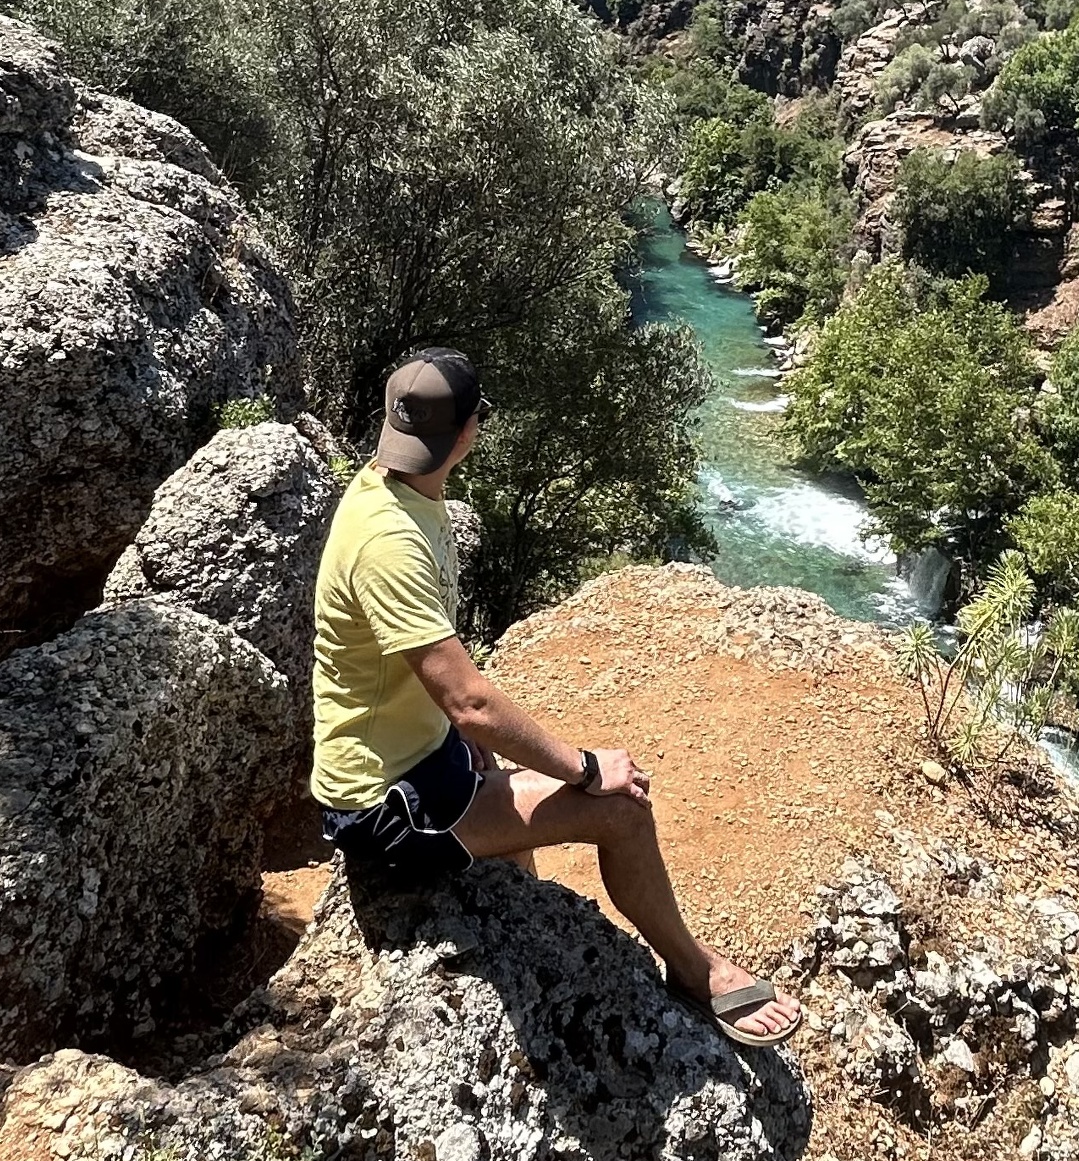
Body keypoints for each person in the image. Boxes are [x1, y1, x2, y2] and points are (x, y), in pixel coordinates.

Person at [311, 347, 803, 1048]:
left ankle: (531, 932)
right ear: (468, 430)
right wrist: (584, 767)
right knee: (622, 810)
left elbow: (433, 675)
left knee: (520, 852)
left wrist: (469, 744)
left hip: (420, 758)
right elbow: (470, 700)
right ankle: (696, 972)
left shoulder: (398, 489)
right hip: (388, 805)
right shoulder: (389, 538)